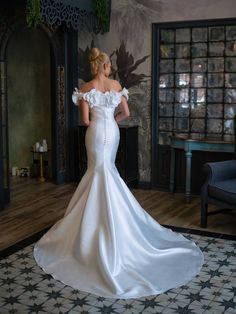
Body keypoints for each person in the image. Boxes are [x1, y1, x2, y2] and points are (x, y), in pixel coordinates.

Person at [34, 48, 204, 299]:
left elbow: (84, 121)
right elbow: (126, 113)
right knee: (107, 172)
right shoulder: (116, 85)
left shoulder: (86, 87)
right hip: (112, 132)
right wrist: (111, 118)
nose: (111, 68)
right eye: (109, 64)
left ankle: (93, 227)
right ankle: (109, 221)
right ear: (103, 65)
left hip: (95, 135)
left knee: (97, 172)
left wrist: (97, 118)